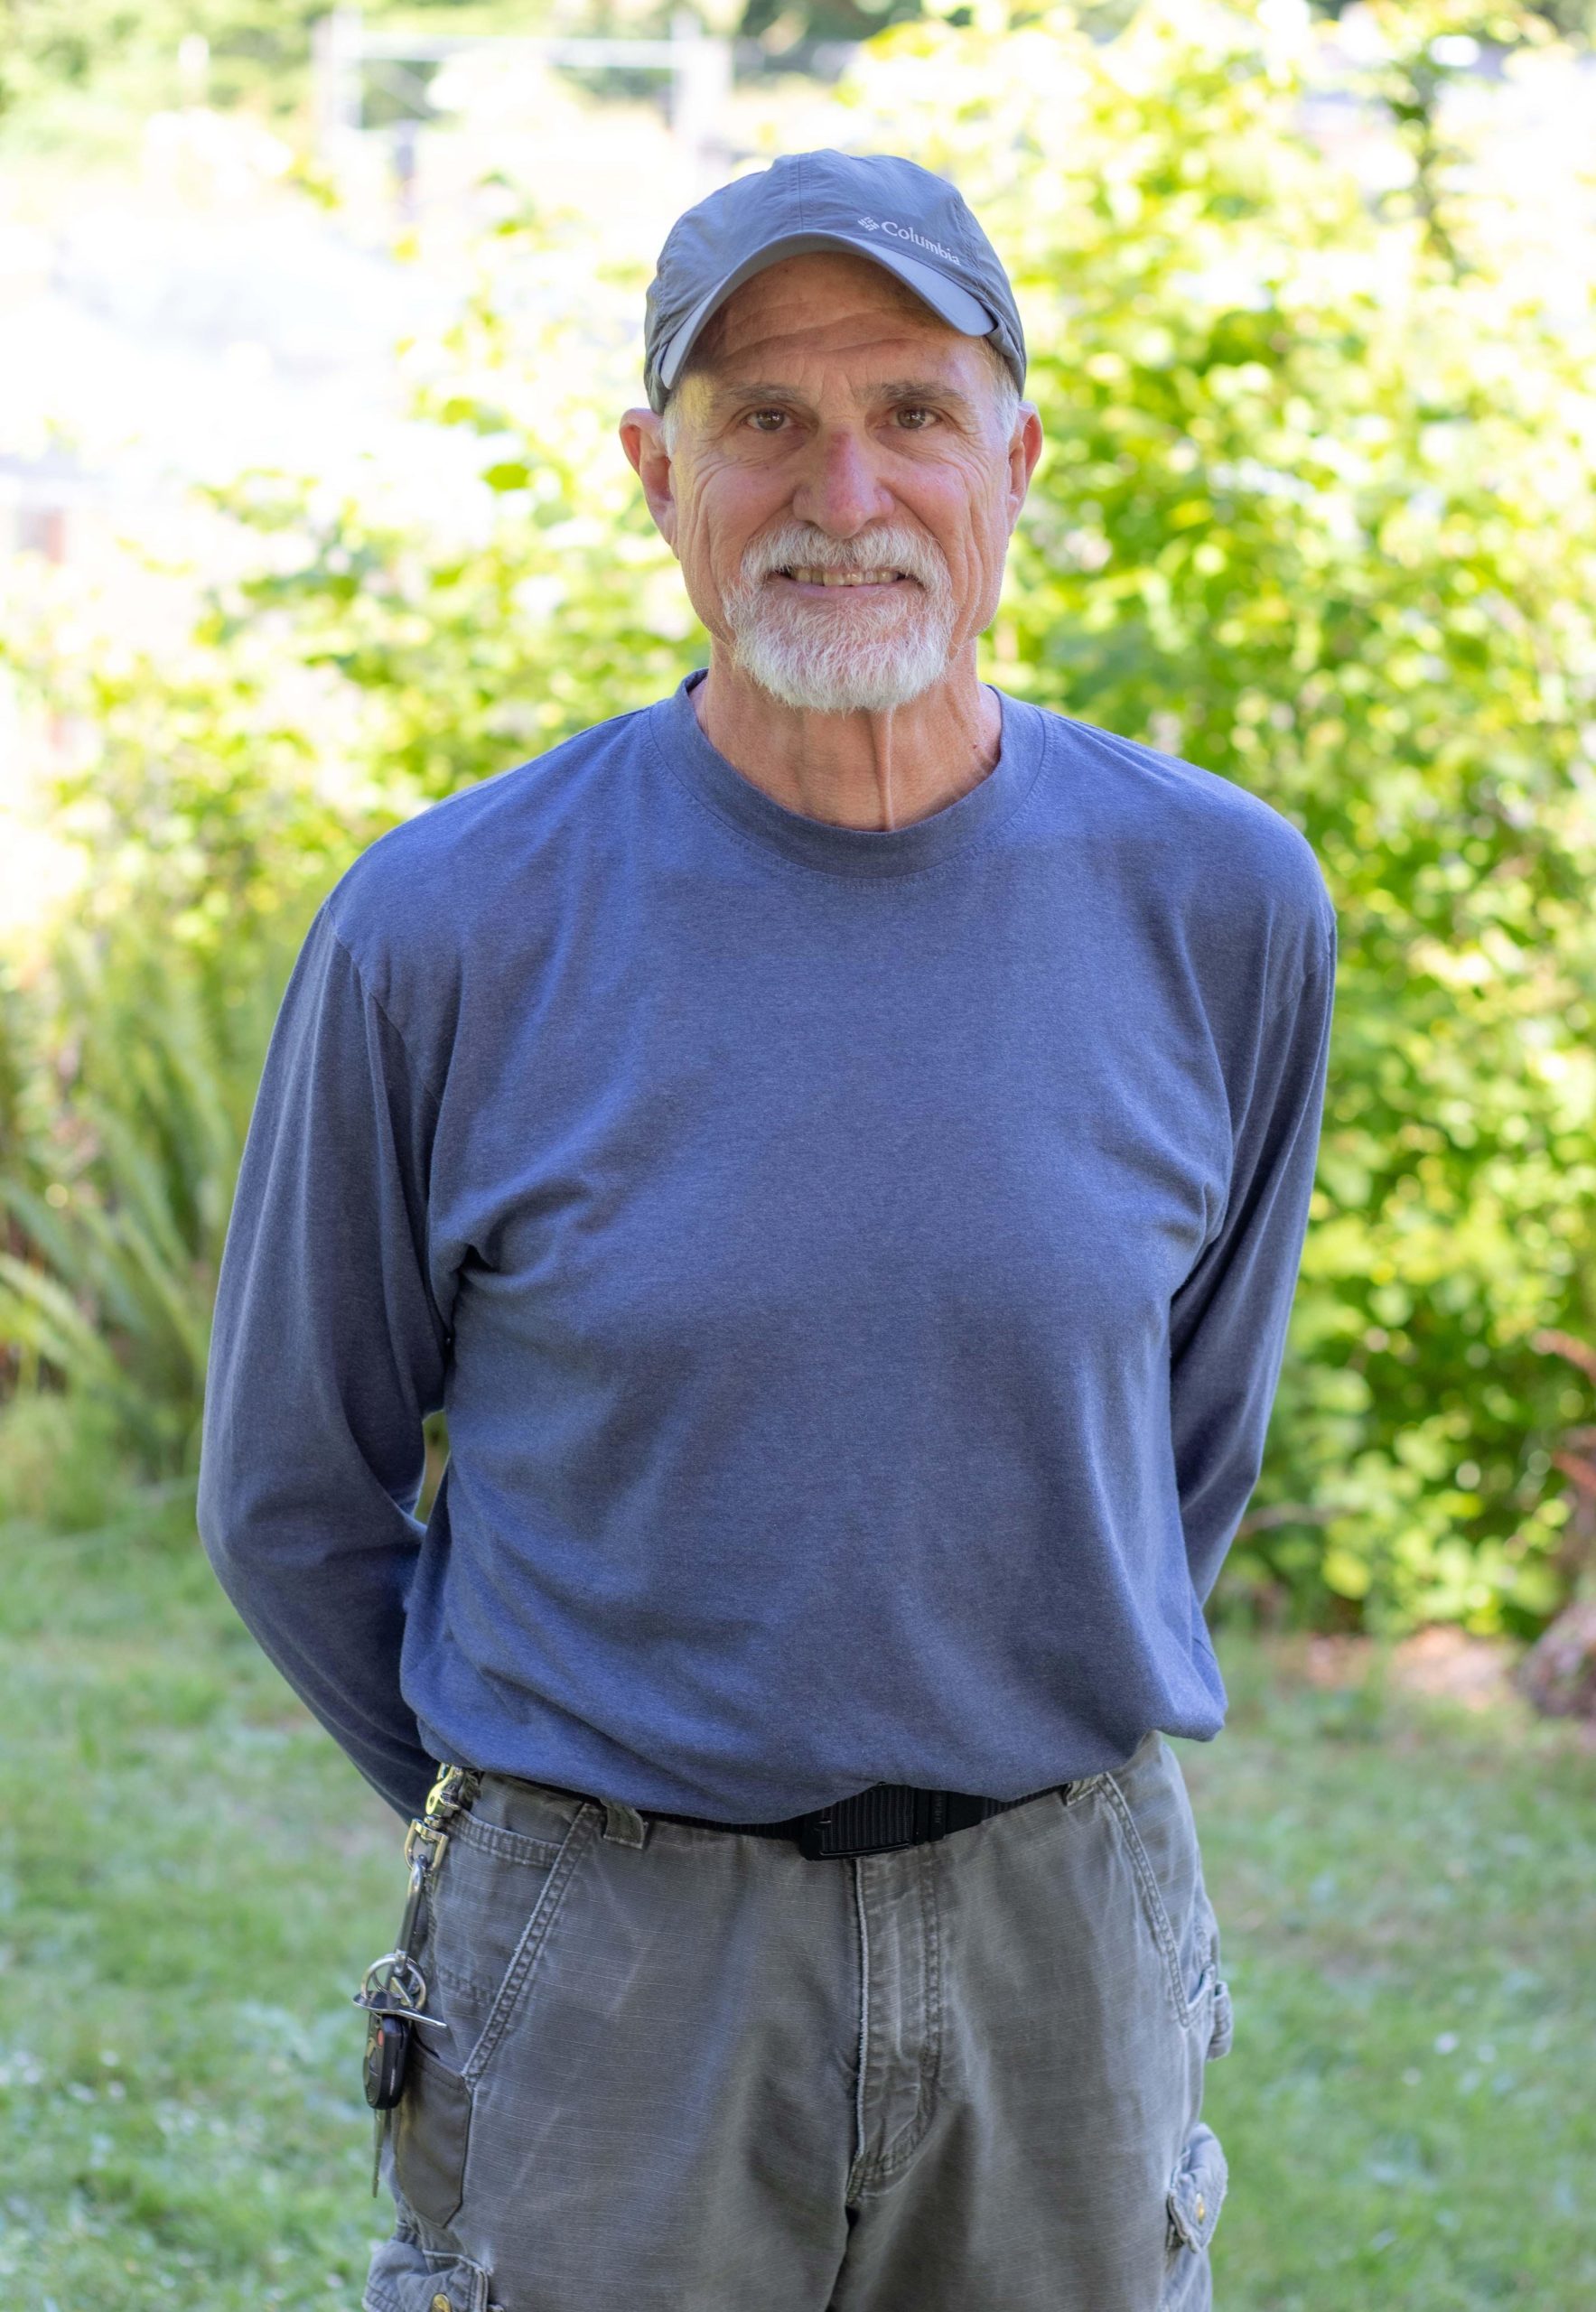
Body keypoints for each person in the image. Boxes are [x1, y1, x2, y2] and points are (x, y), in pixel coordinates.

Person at [197, 149, 1335, 2312]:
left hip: (1056, 1934)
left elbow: (1191, 1427)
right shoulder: (444, 927)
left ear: (1016, 452)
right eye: (760, 419)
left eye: (912, 410)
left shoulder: (1219, 898)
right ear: (653, 473)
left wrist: (994, 1690)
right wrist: (556, 1816)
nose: (845, 487)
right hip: (609, 1959)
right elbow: (288, 1491)